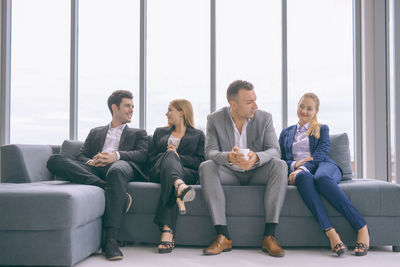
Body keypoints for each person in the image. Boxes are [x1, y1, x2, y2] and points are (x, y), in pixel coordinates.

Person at [47, 90, 149, 261]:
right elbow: (80, 155)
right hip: (96, 169)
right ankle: (105, 186)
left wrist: (115, 156)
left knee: (116, 171)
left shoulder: (138, 133)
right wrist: (92, 162)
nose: (132, 110)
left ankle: (110, 241)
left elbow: (142, 155)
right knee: (54, 160)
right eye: (127, 106)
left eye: (133, 106)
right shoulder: (96, 132)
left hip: (122, 166)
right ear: (114, 107)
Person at [199, 80, 288, 257]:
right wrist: (228, 157)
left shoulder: (265, 118)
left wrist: (256, 157)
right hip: (229, 172)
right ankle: (223, 236)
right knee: (206, 167)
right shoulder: (214, 119)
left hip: (257, 171)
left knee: (280, 165)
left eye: (255, 100)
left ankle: (269, 236)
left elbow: (275, 150)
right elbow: (210, 152)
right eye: (249, 102)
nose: (255, 105)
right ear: (233, 104)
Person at [279, 92, 370, 256]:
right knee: (302, 178)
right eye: (302, 106)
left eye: (309, 108)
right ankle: (331, 233)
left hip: (324, 166)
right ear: (297, 106)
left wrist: (303, 166)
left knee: (321, 179)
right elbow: (280, 160)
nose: (304, 111)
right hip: (300, 172)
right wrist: (294, 165)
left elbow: (320, 154)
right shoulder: (286, 133)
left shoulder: (321, 128)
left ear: (316, 112)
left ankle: (361, 227)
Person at [148, 99, 205, 253]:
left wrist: (177, 156)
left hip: (186, 172)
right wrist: (169, 154)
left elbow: (200, 161)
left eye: (170, 110)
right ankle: (179, 185)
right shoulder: (159, 132)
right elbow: (151, 158)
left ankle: (167, 231)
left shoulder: (198, 135)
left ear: (181, 112)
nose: (166, 113)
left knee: (171, 172)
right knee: (169, 156)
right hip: (158, 170)